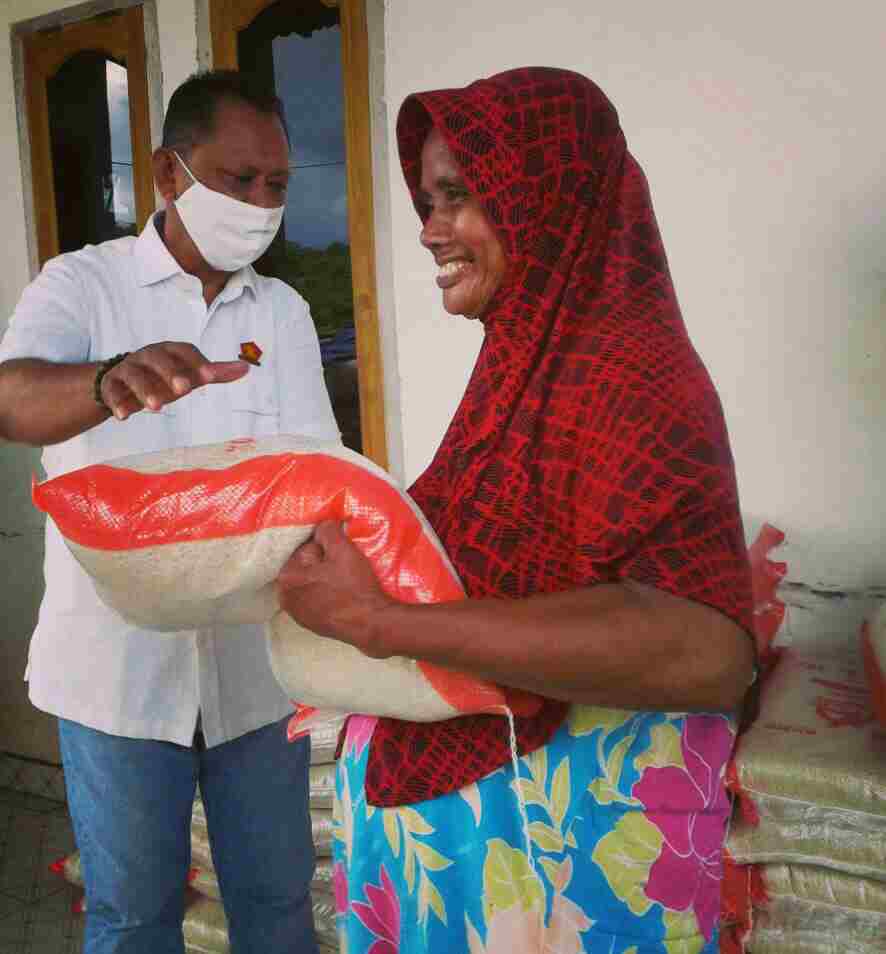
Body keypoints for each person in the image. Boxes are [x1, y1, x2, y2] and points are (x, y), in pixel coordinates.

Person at [276, 67, 756, 953]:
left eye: (459, 195)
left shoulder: (630, 375)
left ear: (547, 197)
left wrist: (381, 624)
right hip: (485, 859)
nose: (430, 229)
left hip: (562, 863)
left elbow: (703, 649)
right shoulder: (525, 364)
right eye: (427, 201)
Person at [0, 70, 338, 953]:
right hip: (115, 675)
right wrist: (104, 381)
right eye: (237, 179)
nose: (259, 205)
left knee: (277, 909)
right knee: (133, 916)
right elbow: (11, 400)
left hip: (255, 682)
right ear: (165, 173)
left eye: (276, 185)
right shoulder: (83, 286)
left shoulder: (284, 313)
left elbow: (315, 471)